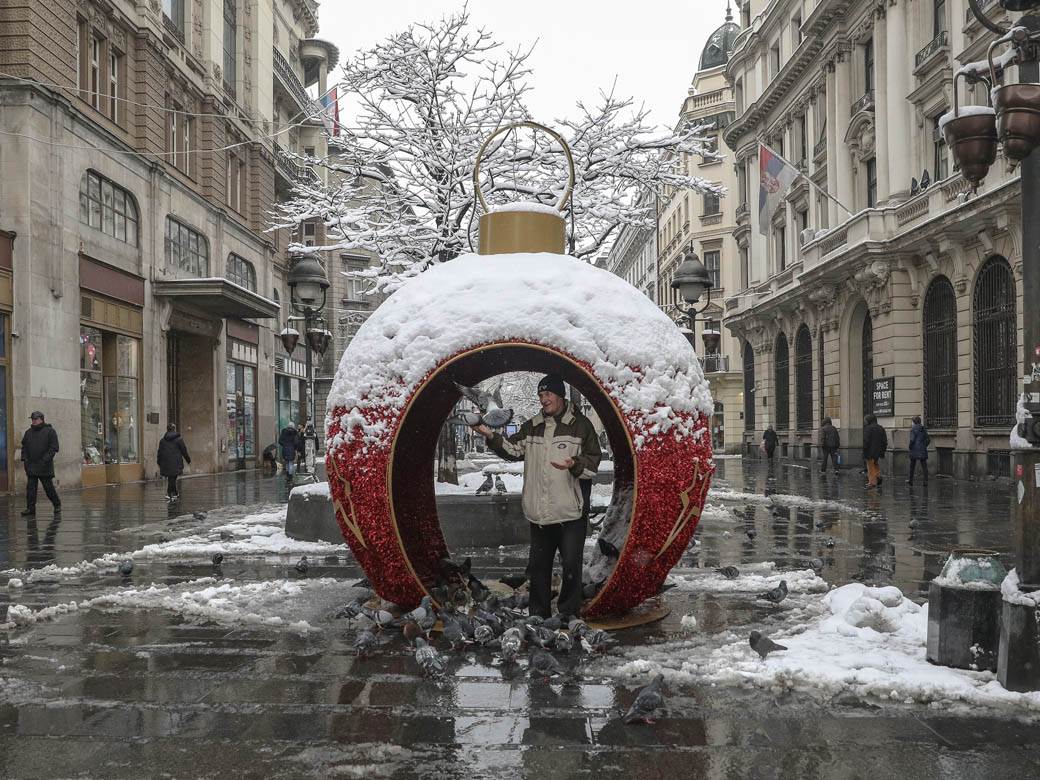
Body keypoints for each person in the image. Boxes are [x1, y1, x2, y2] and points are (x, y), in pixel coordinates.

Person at [473, 374, 601, 619]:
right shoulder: (532, 426)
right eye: (541, 395)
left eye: (548, 394)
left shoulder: (581, 426)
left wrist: (574, 463)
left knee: (571, 568)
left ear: (560, 396)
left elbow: (593, 465)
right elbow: (513, 450)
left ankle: (568, 616)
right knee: (539, 569)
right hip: (539, 514)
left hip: (569, 513)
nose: (544, 400)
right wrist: (491, 436)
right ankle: (538, 617)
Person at [19, 411, 61, 517]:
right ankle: (30, 509)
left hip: (44, 466)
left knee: (48, 488)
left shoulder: (50, 431)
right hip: (31, 465)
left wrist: (45, 460)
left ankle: (57, 504)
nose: (33, 421)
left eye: (35, 419)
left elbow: (54, 448)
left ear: (41, 419)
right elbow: (24, 447)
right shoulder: (28, 433)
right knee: (31, 489)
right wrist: (25, 458)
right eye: (32, 419)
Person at [156, 423, 191, 501]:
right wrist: (188, 460)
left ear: (167, 429)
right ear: (174, 429)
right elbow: (184, 451)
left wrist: (159, 462)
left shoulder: (162, 440)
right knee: (172, 478)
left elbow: (159, 452)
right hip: (176, 462)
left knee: (171, 478)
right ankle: (169, 493)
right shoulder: (179, 440)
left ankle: (175, 493)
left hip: (166, 463)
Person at [863, 414, 888, 489]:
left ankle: (872, 482)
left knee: (870, 466)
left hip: (870, 451)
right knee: (876, 464)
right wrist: (883, 450)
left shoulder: (868, 428)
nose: (865, 422)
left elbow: (866, 441)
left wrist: (864, 449)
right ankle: (878, 476)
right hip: (879, 451)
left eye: (865, 420)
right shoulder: (881, 428)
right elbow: (885, 441)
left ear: (869, 420)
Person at [907, 415, 930, 486]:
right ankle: (925, 481)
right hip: (922, 449)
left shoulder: (913, 429)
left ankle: (911, 480)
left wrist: (910, 447)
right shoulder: (923, 428)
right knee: (924, 466)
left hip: (914, 449)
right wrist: (924, 446)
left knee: (912, 466)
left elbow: (912, 440)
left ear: (914, 422)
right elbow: (928, 439)